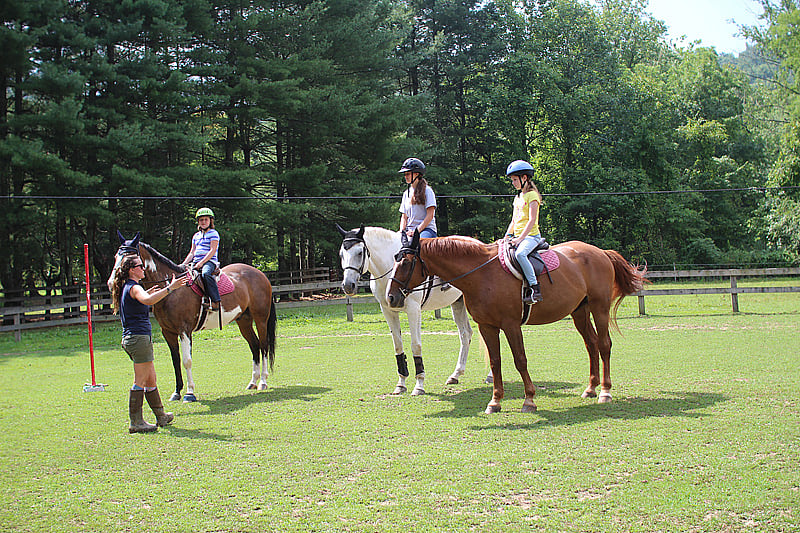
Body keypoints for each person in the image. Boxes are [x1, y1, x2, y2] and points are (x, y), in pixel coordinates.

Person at [111, 255, 187, 433]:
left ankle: (161, 416)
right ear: (132, 270)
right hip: (138, 339)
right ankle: (136, 422)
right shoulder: (134, 287)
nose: (143, 268)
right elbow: (147, 301)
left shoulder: (130, 287)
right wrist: (170, 288)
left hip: (138, 339)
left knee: (151, 379)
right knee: (141, 380)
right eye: (140, 266)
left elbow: (145, 299)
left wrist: (152, 293)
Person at [504, 159, 545, 304]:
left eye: (515, 180)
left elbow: (532, 220)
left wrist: (520, 239)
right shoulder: (518, 197)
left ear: (524, 178)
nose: (513, 183)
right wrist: (507, 236)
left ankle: (534, 287)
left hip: (531, 237)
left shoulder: (532, 196)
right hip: (517, 236)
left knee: (520, 254)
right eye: (512, 180)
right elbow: (514, 220)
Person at [181, 207, 221, 310]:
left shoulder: (213, 233)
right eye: (201, 220)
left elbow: (212, 251)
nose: (203, 222)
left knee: (205, 274)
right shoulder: (196, 236)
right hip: (196, 262)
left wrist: (202, 263)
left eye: (206, 219)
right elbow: (192, 252)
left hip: (209, 262)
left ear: (210, 221)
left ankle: (216, 301)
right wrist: (183, 264)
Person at [398, 158, 438, 240]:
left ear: (416, 174)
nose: (405, 177)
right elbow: (404, 217)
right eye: (405, 174)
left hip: (426, 230)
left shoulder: (428, 191)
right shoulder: (406, 193)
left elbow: (430, 216)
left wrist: (416, 231)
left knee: (419, 245)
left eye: (408, 174)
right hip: (409, 230)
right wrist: (401, 231)